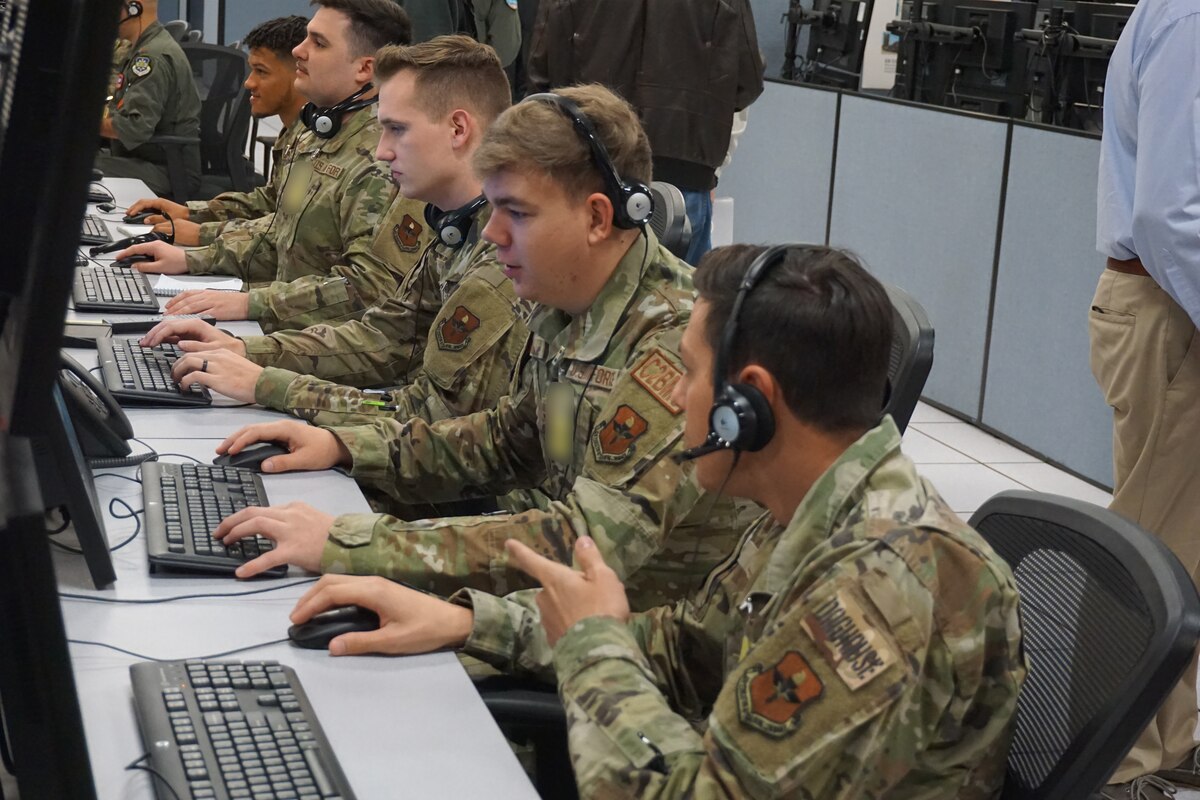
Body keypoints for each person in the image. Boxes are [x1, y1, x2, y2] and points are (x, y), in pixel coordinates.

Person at [287, 244, 1027, 799]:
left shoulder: (880, 590)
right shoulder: (808, 506)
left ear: (751, 401)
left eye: (690, 373)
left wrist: (592, 644)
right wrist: (467, 624)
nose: (676, 402)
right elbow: (689, 647)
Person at [203, 85, 749, 611]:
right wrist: (344, 447)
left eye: (517, 211)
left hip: (620, 650)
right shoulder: (566, 297)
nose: (491, 234)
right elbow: (504, 443)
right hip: (543, 606)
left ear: (599, 217)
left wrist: (354, 543)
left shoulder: (675, 344)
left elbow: (583, 540)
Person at [141, 35, 529, 466]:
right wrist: (248, 352)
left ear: (458, 129)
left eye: (397, 129)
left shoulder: (502, 258)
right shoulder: (451, 223)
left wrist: (272, 385)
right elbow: (386, 335)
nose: (382, 150)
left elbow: (430, 415)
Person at [115, 0, 427, 334]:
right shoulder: (317, 135)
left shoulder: (382, 162)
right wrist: (193, 253)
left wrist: (249, 302)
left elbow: (365, 293)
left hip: (312, 347)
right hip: (284, 332)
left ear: (364, 69)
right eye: (306, 39)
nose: (299, 52)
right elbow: (280, 230)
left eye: (318, 43)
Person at [1091, 0, 1200, 796]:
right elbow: (1171, 215)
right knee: (1151, 551)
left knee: (1184, 545)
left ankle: (1169, 740)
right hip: (1174, 305)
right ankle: (1118, 763)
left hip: (1172, 304)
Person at [527, 0, 764, 266]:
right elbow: (749, 81)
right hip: (685, 172)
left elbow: (541, 75)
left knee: (580, 293)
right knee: (681, 299)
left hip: (591, 165)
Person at [124, 15, 311, 247]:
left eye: (261, 71)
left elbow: (291, 236)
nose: (248, 83)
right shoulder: (295, 132)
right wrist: (191, 213)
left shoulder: (320, 140)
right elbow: (271, 203)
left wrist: (204, 235)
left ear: (301, 70)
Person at [95, 0, 202, 198]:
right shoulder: (143, 48)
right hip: (149, 158)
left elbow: (133, 127)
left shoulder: (152, 56)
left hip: (169, 170)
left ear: (134, 9)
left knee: (74, 163)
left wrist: (80, 123)